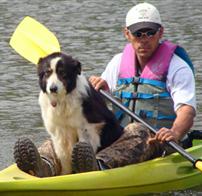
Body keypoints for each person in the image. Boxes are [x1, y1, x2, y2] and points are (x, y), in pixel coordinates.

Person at [14, 2, 196, 176]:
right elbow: (93, 104)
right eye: (138, 33)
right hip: (118, 137)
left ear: (160, 32)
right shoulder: (118, 62)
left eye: (150, 33)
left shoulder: (177, 67)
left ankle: (97, 165)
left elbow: (187, 111)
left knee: (138, 131)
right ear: (127, 34)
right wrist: (100, 87)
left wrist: (175, 132)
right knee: (64, 132)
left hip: (157, 141)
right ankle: (45, 165)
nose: (144, 39)